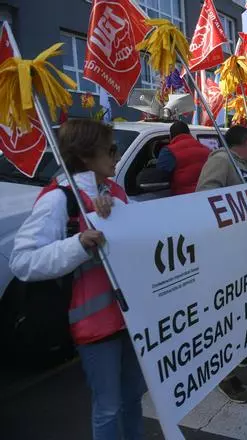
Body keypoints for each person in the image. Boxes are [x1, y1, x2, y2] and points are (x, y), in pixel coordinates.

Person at [10, 119, 146, 440]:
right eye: (111, 149)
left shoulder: (114, 192)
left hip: (131, 319)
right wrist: (79, 244)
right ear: (85, 157)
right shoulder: (59, 198)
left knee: (132, 399)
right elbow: (23, 261)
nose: (117, 156)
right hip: (95, 326)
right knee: (109, 407)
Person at [195, 126, 247, 404]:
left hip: (243, 253)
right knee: (225, 316)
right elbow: (204, 197)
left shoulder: (240, 165)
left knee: (245, 308)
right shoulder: (221, 160)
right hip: (224, 254)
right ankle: (224, 375)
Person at [155, 121, 211, 195]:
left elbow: (159, 177)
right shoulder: (207, 150)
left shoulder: (169, 151)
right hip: (205, 196)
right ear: (189, 133)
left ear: (171, 136)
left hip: (182, 199)